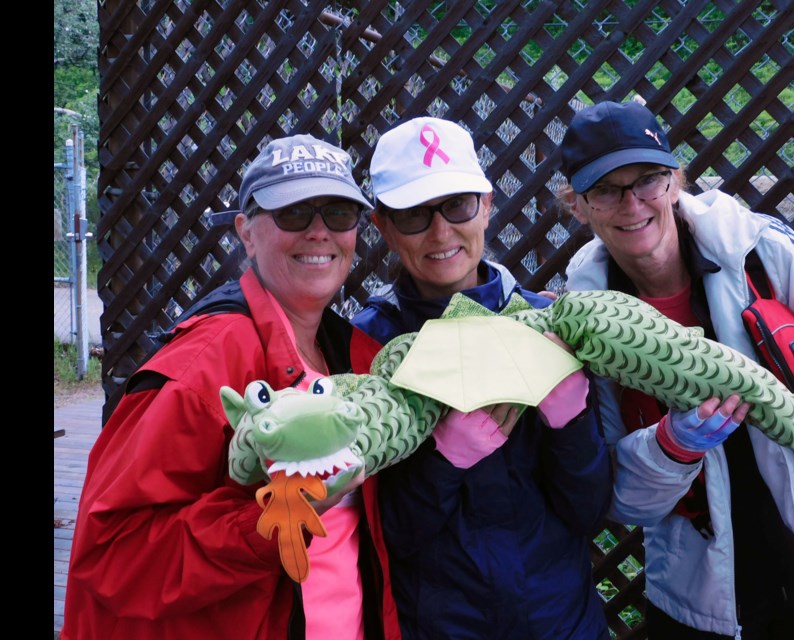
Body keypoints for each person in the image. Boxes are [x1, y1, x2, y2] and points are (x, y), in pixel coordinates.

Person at [557, 100, 794, 639]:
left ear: (675, 180)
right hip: (707, 602)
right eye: (605, 189)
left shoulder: (756, 250)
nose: (632, 204)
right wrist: (672, 444)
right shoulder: (585, 324)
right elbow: (621, 495)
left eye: (648, 179)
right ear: (578, 207)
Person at [61, 134, 401, 640]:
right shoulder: (199, 369)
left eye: (338, 213)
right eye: (293, 213)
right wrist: (274, 520)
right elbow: (113, 554)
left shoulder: (357, 357)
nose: (319, 232)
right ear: (246, 232)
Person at [351, 116, 613, 639]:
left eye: (457, 205)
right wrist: (444, 464)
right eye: (413, 215)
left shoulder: (550, 323)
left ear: (487, 205)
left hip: (562, 624)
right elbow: (385, 538)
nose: (441, 231)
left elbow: (591, 512)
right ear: (382, 227)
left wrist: (571, 422)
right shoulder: (367, 348)